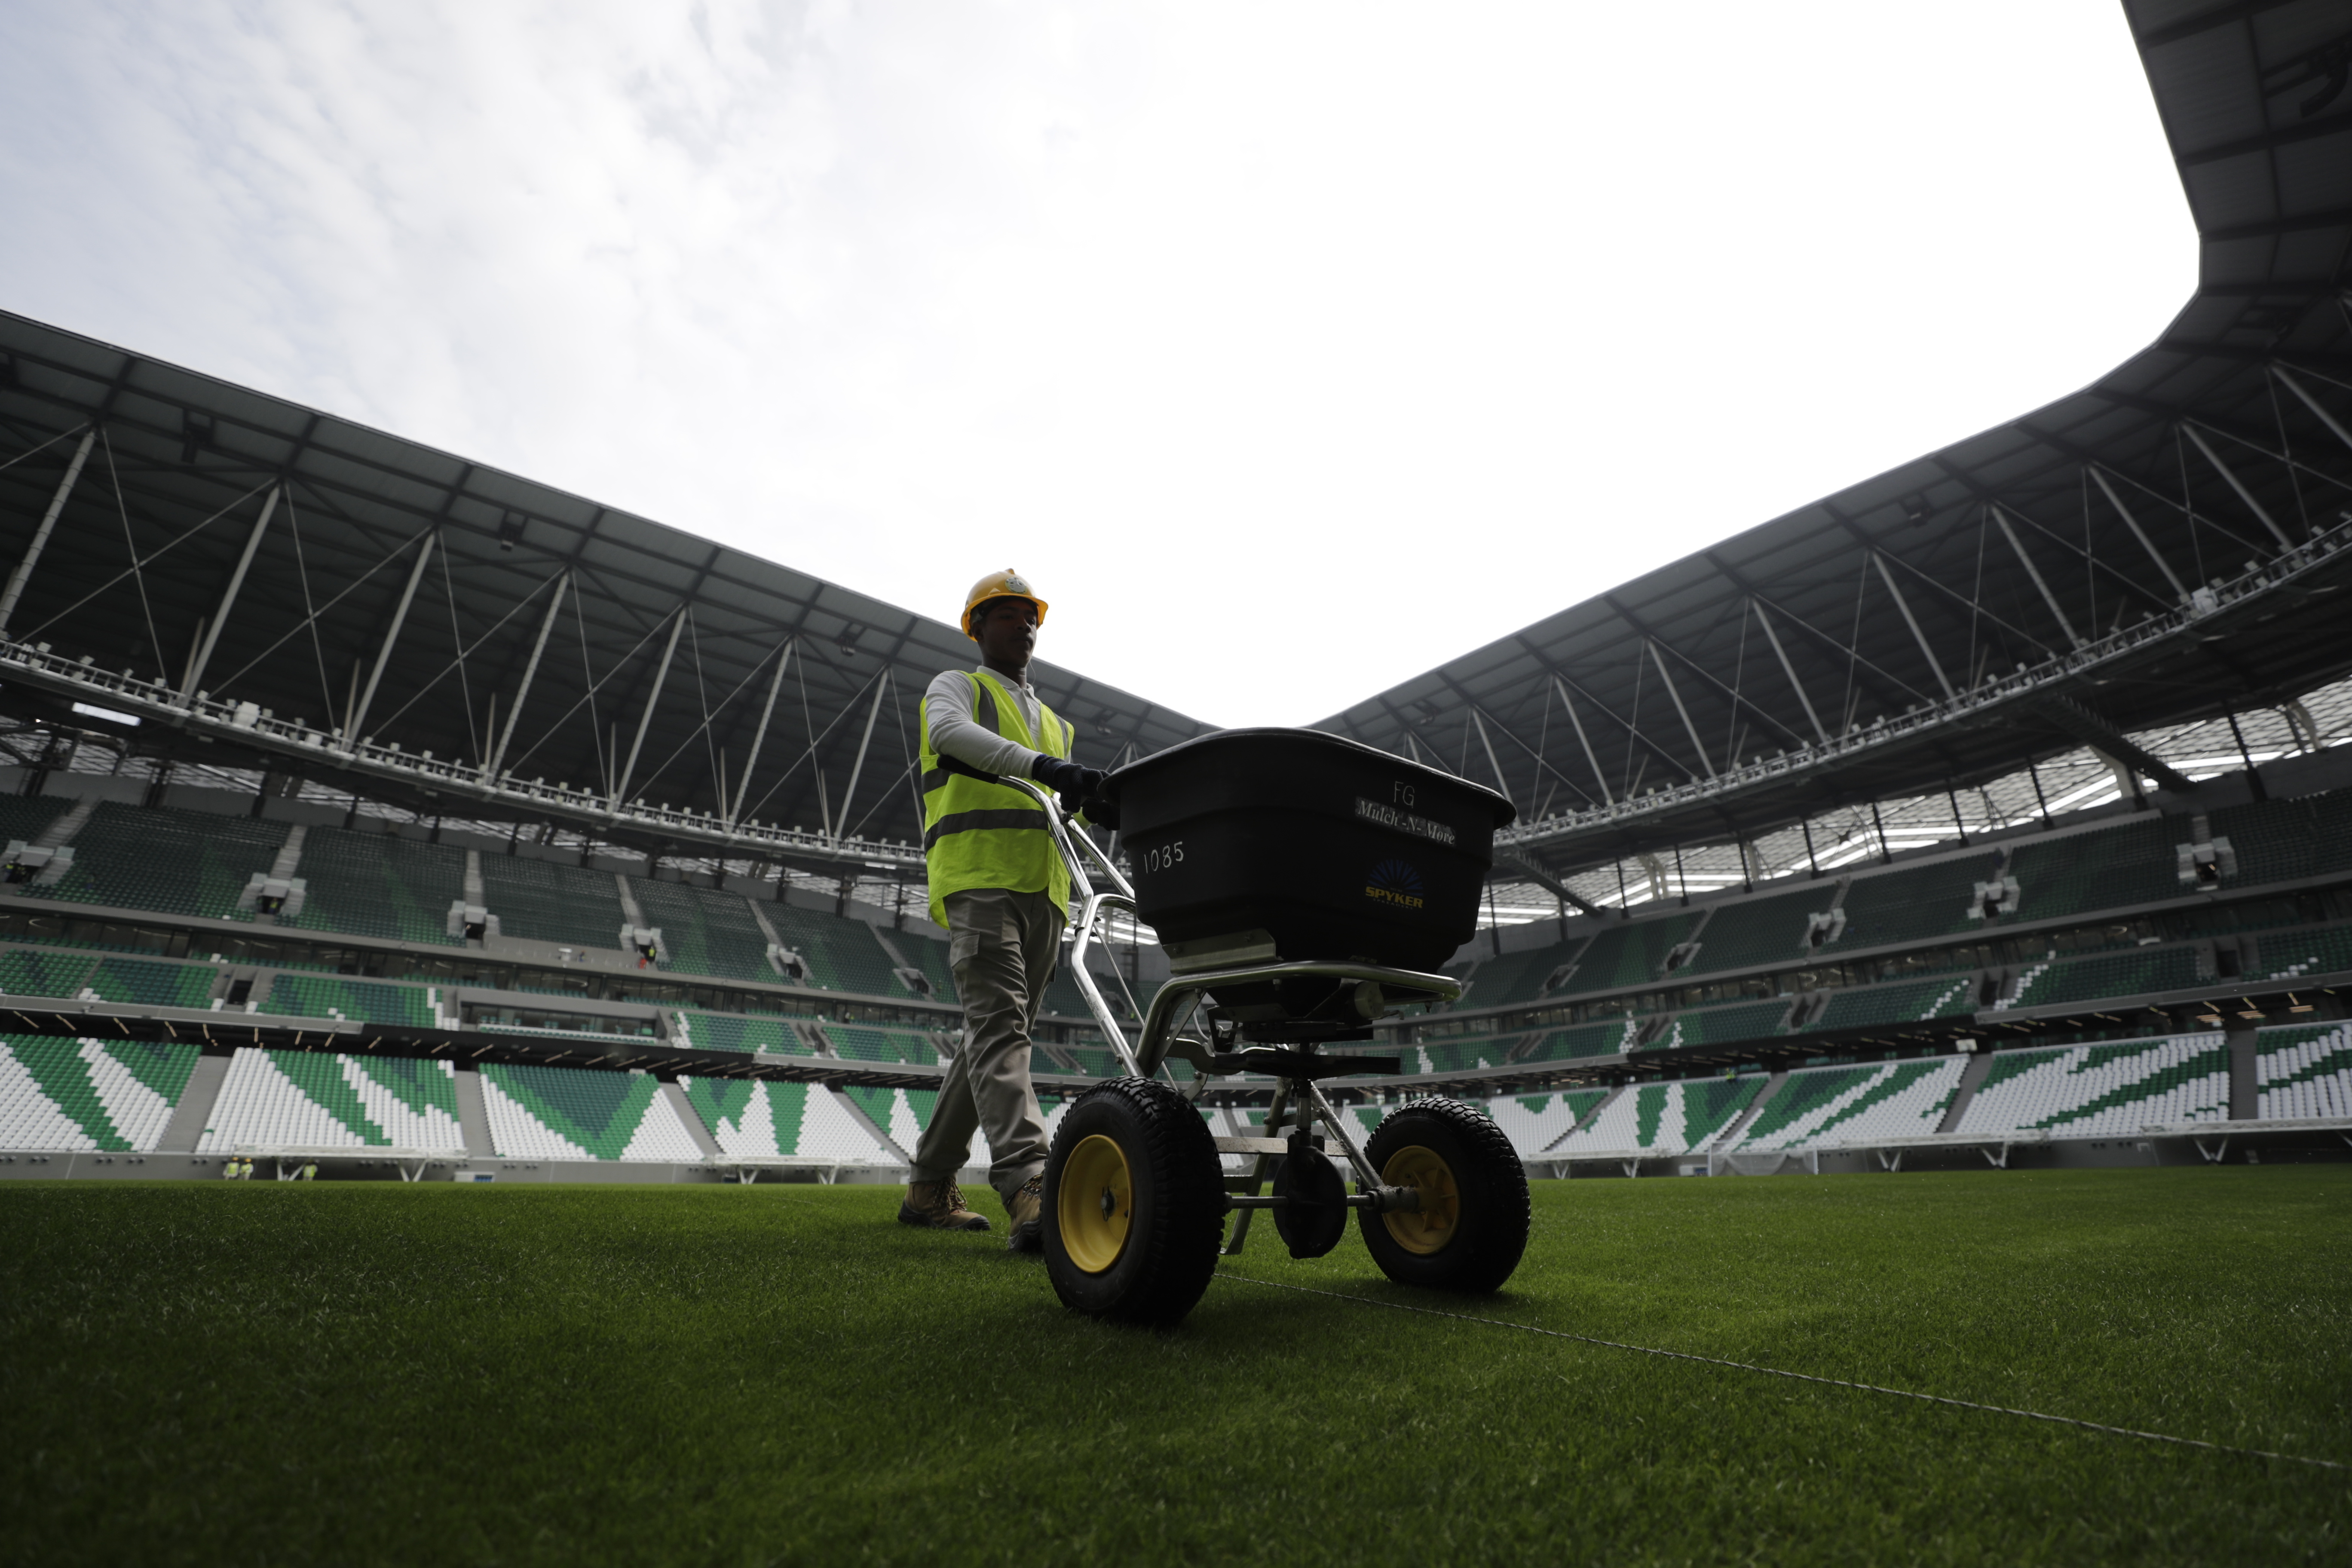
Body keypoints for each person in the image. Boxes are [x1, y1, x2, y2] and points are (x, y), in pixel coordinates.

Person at [899, 569, 1115, 1251]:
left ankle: (929, 1188)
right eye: (1008, 614)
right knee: (1000, 1030)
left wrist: (1084, 793)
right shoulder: (955, 688)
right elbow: (951, 737)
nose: (1024, 626)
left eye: (1031, 617)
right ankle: (1029, 1181)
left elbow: (1055, 800)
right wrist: (1048, 771)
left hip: (1045, 893)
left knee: (990, 1037)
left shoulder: (1057, 722)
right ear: (977, 626)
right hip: (980, 879)